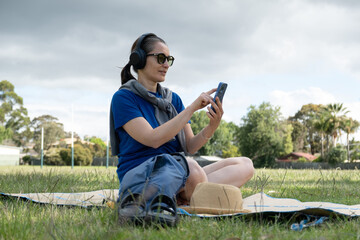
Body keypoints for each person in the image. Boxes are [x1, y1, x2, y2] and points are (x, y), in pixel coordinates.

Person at [111, 33, 254, 206]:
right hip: (142, 175)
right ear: (139, 60)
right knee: (192, 169)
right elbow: (152, 139)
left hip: (179, 172)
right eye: (161, 58)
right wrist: (191, 108)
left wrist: (212, 126)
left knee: (245, 165)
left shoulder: (173, 99)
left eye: (169, 59)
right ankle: (194, 195)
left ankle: (182, 196)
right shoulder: (124, 98)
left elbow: (190, 145)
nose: (166, 65)